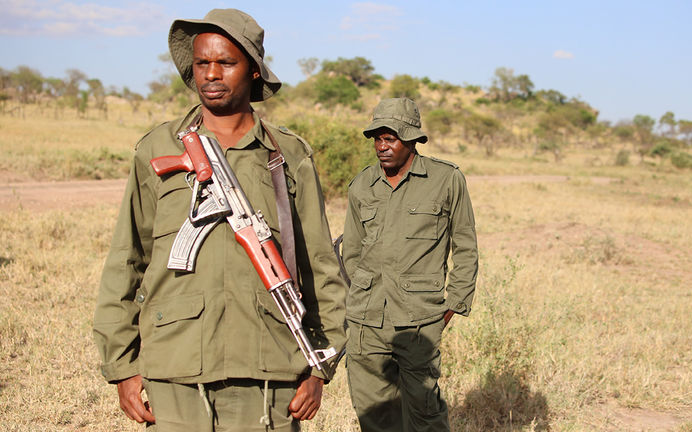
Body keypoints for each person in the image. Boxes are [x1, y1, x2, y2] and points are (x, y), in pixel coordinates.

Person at [92, 9, 346, 431]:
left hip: (270, 370)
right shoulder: (157, 147)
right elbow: (127, 259)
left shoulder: (286, 156)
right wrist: (121, 365)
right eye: (202, 63)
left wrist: (321, 366)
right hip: (176, 367)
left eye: (226, 63)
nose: (211, 74)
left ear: (253, 71)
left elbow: (321, 266)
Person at [342, 98, 478, 431]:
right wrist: (355, 305)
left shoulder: (445, 180)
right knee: (374, 415)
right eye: (377, 138)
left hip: (419, 321)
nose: (382, 146)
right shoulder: (362, 185)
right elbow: (352, 254)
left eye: (391, 138)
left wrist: (450, 308)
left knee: (425, 416)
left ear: (412, 139)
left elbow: (465, 246)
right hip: (366, 320)